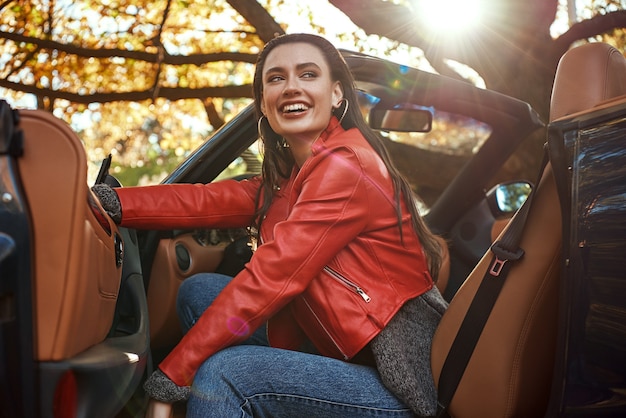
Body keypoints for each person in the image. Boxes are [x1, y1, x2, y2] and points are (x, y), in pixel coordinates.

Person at [93, 33, 447, 418]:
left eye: (308, 74)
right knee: (199, 291)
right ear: (263, 102)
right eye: (276, 78)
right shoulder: (295, 177)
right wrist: (112, 202)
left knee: (224, 376)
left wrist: (172, 377)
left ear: (338, 95)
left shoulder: (347, 164)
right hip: (341, 346)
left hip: (396, 381)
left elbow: (272, 276)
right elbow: (210, 200)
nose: (291, 86)